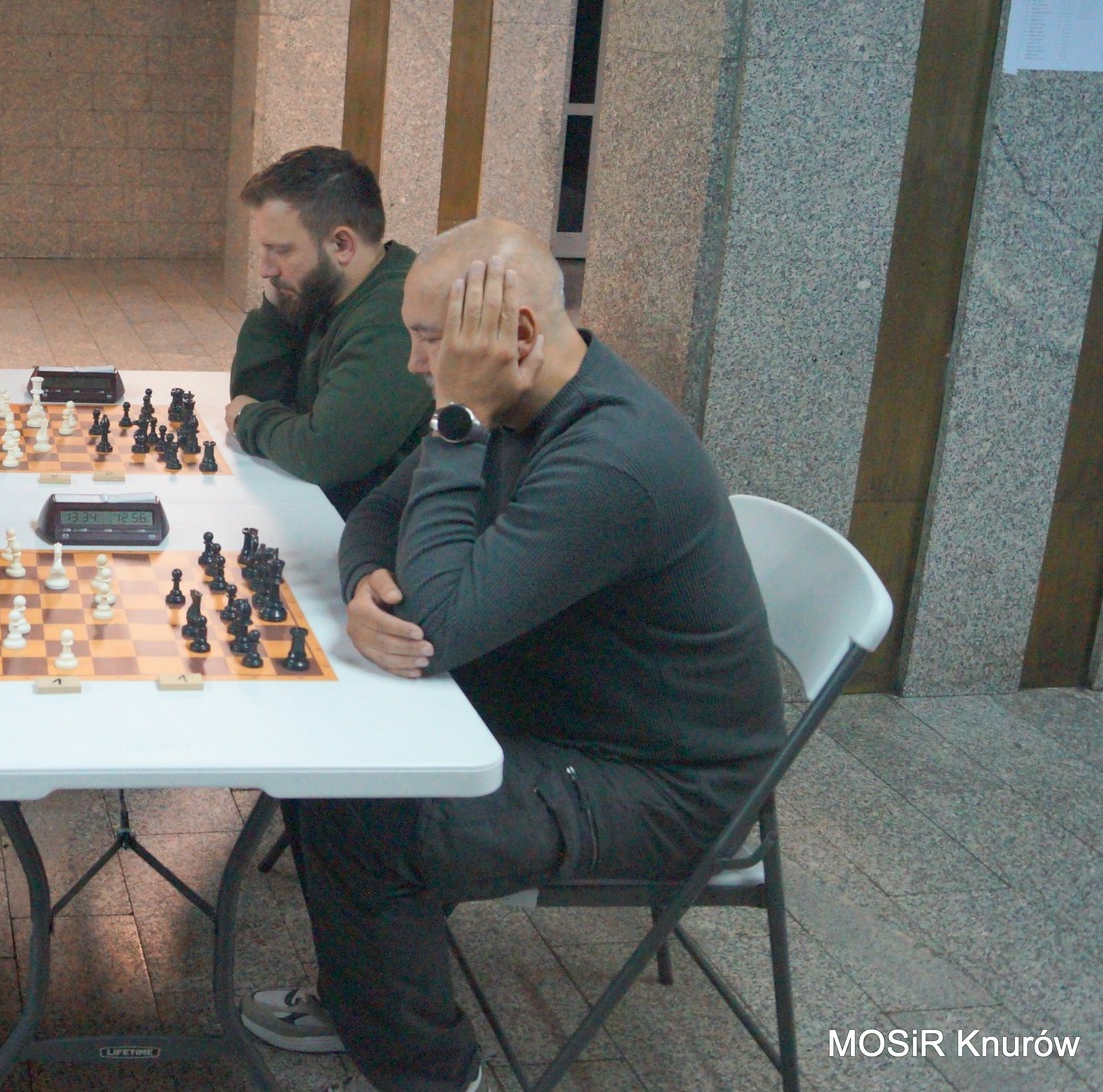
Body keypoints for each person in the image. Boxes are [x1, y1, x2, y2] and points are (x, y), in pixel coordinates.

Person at [239, 219, 786, 1092]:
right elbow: (375, 512)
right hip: (565, 703)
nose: (415, 364)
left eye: (429, 339)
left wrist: (457, 424)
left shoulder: (610, 456)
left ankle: (432, 1073)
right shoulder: (523, 401)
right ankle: (366, 996)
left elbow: (439, 625)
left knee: (367, 816)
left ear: (514, 335)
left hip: (666, 782)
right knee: (323, 759)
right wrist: (366, 581)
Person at [225, 146, 433, 517]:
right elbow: (253, 396)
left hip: (370, 532)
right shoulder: (327, 288)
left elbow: (323, 453)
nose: (264, 269)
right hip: (316, 507)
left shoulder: (398, 314)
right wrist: (275, 307)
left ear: (342, 245)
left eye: (279, 250)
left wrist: (250, 422)